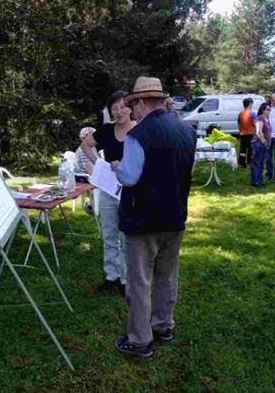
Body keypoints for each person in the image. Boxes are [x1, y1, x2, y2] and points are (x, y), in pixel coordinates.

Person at [110, 76, 196, 358]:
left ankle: (139, 340)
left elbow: (129, 177)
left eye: (133, 104)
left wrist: (116, 167)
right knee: (167, 276)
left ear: (143, 102)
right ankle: (163, 326)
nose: (132, 110)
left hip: (143, 219)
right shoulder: (186, 130)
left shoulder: (138, 135)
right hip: (175, 216)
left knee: (140, 280)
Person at [81, 90, 136, 295]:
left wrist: (126, 165)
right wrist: (99, 165)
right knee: (109, 235)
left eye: (123, 106)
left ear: (131, 108)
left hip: (130, 191)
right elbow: (86, 144)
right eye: (114, 108)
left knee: (126, 236)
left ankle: (125, 279)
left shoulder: (139, 131)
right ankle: (111, 277)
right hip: (107, 190)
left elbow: (148, 160)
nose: (119, 111)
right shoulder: (106, 130)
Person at [250, 102, 271, 188]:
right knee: (257, 163)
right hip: (258, 143)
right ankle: (255, 181)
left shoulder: (267, 118)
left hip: (264, 144)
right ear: (263, 110)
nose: (270, 110)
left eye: (270, 109)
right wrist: (264, 141)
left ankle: (259, 180)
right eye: (268, 109)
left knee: (261, 163)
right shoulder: (260, 118)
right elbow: (259, 132)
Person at [237, 98, 257, 168]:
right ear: (250, 104)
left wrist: (240, 132)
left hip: (243, 134)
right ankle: (249, 162)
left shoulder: (240, 113)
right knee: (250, 149)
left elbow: (239, 124)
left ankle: (242, 163)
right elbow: (255, 125)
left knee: (243, 149)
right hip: (250, 134)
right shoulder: (252, 113)